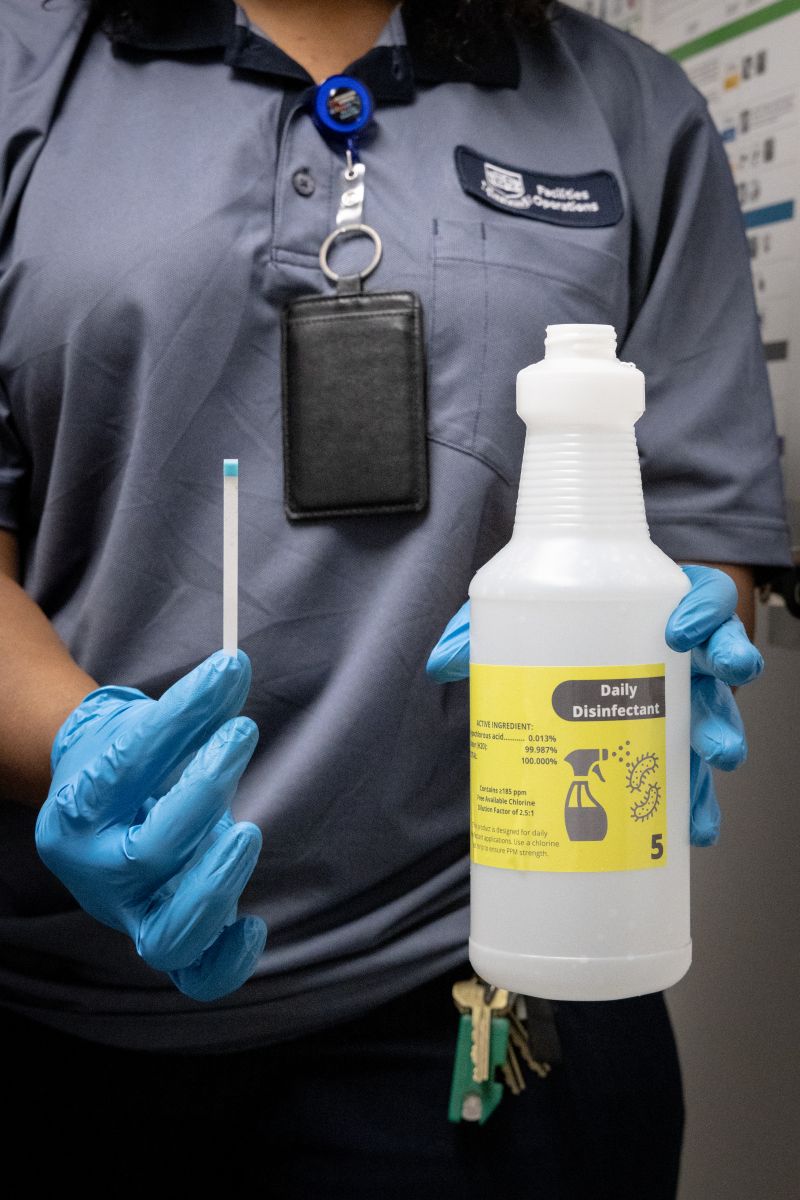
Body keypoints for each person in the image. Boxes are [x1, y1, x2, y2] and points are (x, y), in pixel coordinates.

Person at [0, 0, 790, 1193]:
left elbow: (695, 527)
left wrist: (670, 631)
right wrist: (76, 741)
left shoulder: (628, 109)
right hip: (60, 1009)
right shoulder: (21, 69)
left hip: (485, 988)